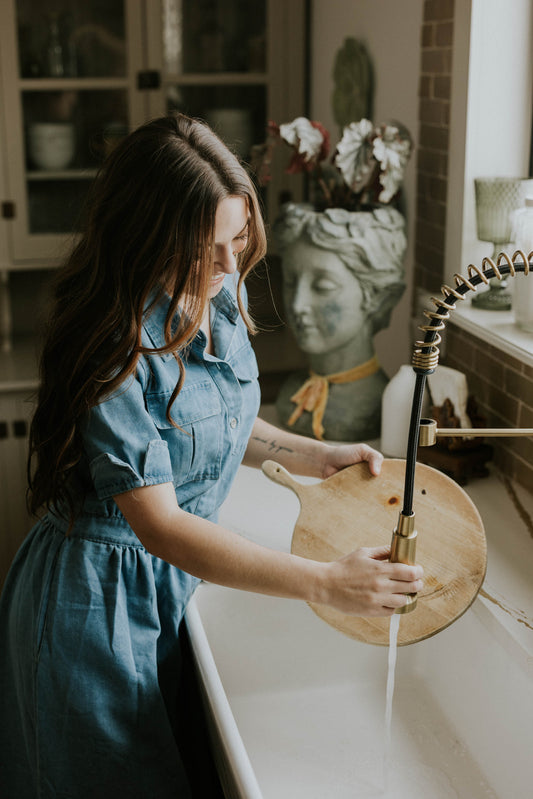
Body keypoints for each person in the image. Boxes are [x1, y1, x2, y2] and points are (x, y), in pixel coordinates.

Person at [0, 114, 423, 799]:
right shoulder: (116, 340)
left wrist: (316, 455)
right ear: (146, 236)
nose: (230, 264)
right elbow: (160, 524)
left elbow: (211, 424)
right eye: (207, 248)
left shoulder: (218, 288)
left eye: (237, 237)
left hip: (169, 589)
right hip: (95, 604)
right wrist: (323, 581)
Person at [273, 202, 407, 441]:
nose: (297, 304)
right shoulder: (291, 394)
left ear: (377, 297)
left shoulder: (377, 408)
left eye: (323, 286)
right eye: (291, 282)